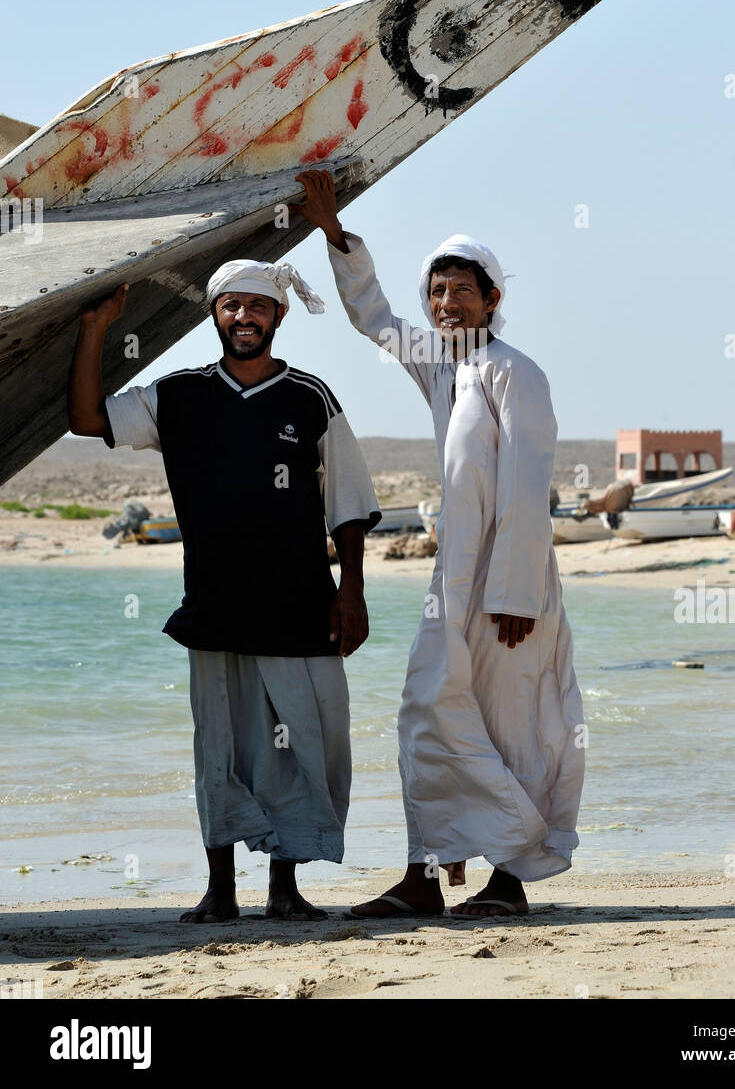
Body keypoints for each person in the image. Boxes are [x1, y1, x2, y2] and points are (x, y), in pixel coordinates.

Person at [293, 169, 585, 919]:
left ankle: (512, 878)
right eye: (437, 291)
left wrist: (515, 592)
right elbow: (373, 316)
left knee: (512, 720)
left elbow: (526, 486)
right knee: (427, 712)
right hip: (449, 580)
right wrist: (333, 232)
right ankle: (426, 870)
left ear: (493, 299)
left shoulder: (518, 374)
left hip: (509, 586)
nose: (445, 303)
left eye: (460, 290)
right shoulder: (441, 366)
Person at [67, 257, 380, 923]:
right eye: (231, 306)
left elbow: (349, 504)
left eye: (257, 307)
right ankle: (221, 891)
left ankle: (285, 889)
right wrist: (95, 328)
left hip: (301, 605)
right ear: (214, 314)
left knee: (306, 742)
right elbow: (89, 418)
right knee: (220, 748)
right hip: (213, 607)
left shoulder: (310, 398)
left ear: (279, 316)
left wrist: (350, 592)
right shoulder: (175, 396)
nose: (244, 317)